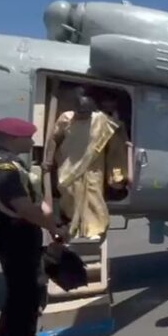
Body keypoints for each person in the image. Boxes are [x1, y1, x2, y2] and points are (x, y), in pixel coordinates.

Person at [0, 117, 66, 336]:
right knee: (24, 296)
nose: (32, 142)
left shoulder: (13, 164)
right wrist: (53, 228)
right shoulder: (3, 169)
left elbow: (33, 201)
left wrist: (50, 219)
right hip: (15, 238)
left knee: (24, 295)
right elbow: (23, 208)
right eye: (28, 138)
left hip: (18, 237)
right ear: (14, 139)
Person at [43, 86, 129, 239]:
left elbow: (116, 128)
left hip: (92, 166)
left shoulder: (101, 120)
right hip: (67, 164)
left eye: (86, 112)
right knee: (69, 194)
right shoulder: (66, 118)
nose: (83, 115)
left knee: (93, 196)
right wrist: (48, 159)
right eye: (80, 112)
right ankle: (74, 226)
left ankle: (94, 229)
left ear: (92, 110)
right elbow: (54, 139)